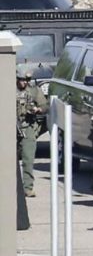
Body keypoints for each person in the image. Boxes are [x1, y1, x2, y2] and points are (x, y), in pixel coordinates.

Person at [16, 69, 47, 198]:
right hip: (10, 126)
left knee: (28, 159)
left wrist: (38, 109)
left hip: (27, 126)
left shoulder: (34, 91)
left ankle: (28, 188)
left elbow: (45, 106)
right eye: (22, 80)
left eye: (26, 80)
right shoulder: (7, 88)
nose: (24, 83)